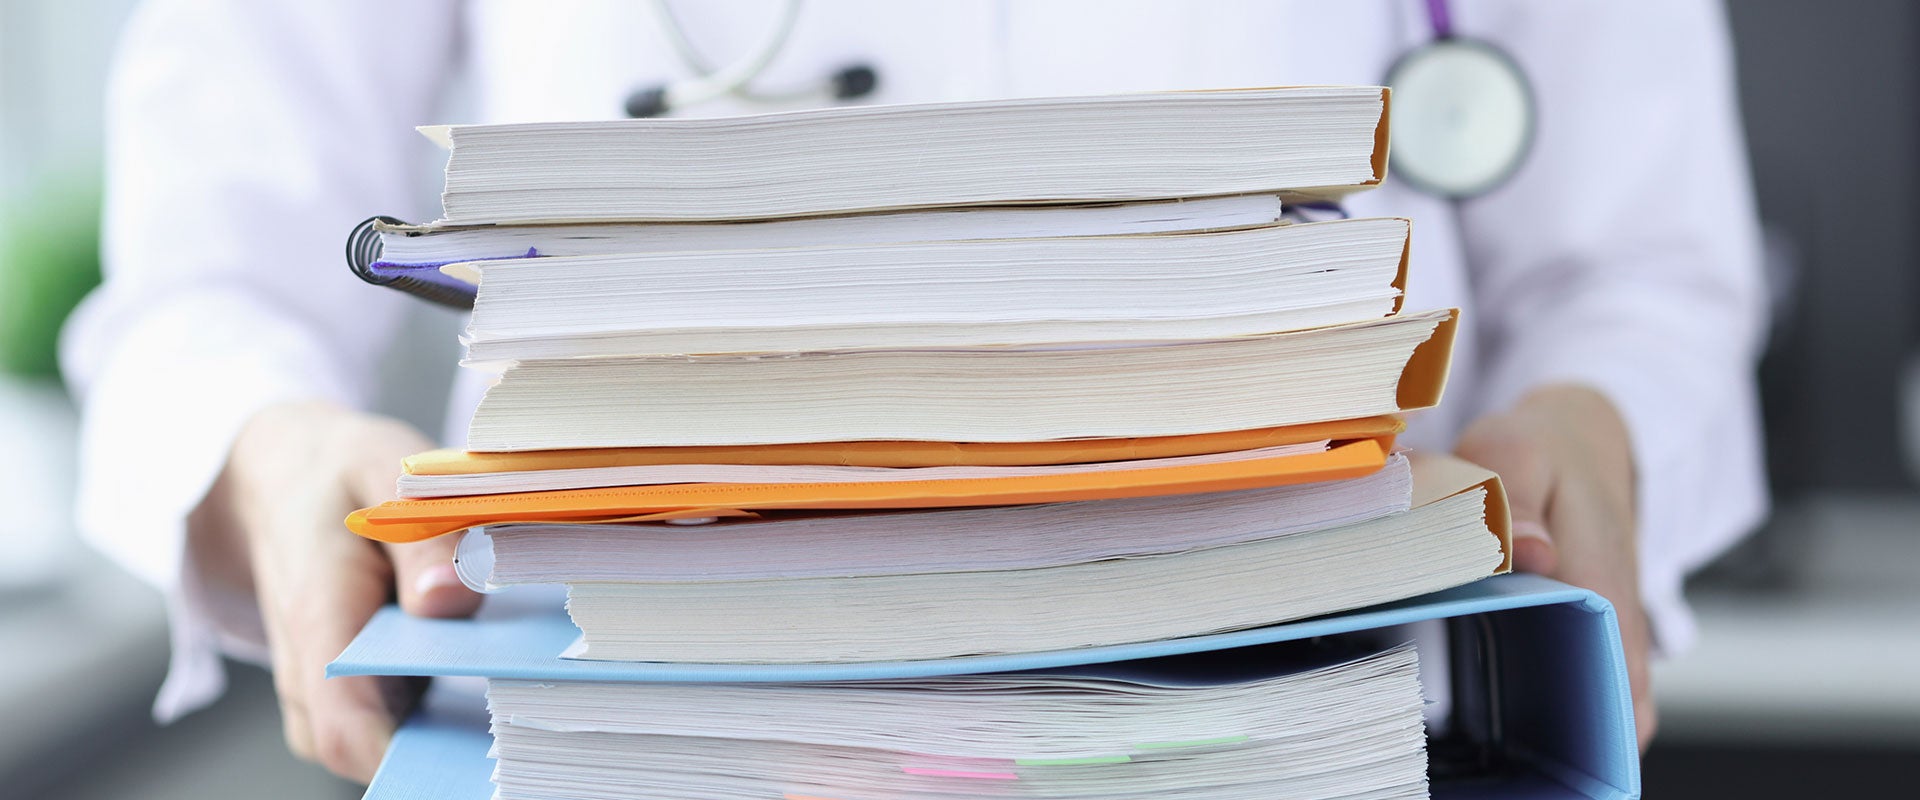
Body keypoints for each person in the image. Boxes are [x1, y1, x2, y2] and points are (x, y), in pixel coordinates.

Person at [63, 0, 1767, 783]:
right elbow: (203, 293)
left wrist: (1603, 429)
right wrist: (266, 453)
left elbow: (1644, 269)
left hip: (1314, 717)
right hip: (654, 734)